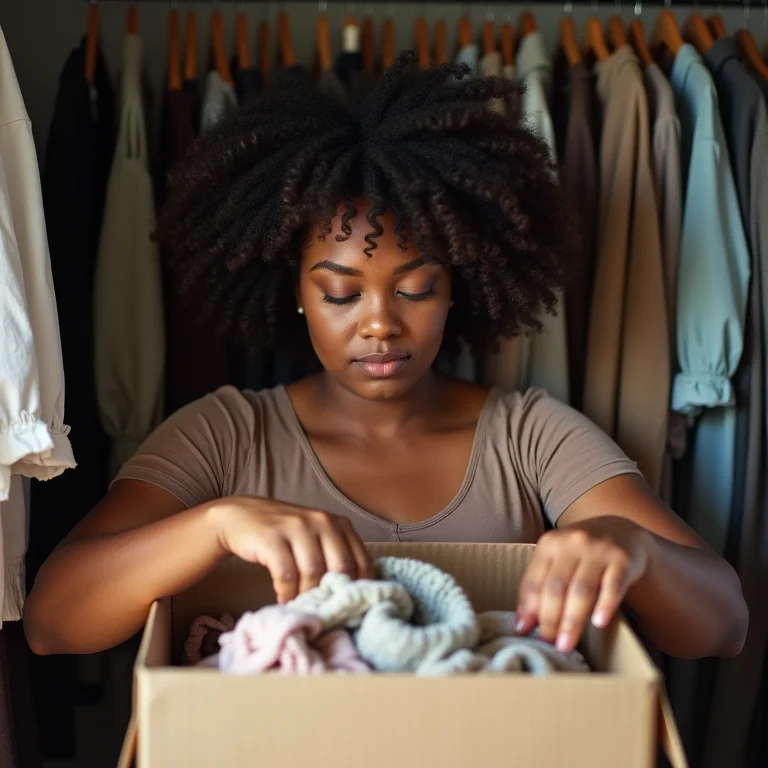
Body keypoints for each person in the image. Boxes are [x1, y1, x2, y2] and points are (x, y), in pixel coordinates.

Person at [24, 52, 746, 661]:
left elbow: (724, 625)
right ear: (296, 292)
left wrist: (631, 547)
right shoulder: (224, 435)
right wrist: (214, 524)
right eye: (341, 294)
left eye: (417, 287)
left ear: (459, 285)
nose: (380, 325)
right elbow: (53, 622)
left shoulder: (530, 437)